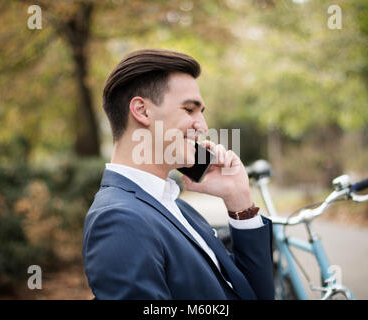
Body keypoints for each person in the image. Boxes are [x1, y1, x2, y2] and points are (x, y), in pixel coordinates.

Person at [82, 49, 274, 299]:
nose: (202, 126)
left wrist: (239, 201)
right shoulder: (119, 220)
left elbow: (253, 295)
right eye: (189, 109)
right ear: (142, 111)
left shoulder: (178, 208)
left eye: (201, 112)